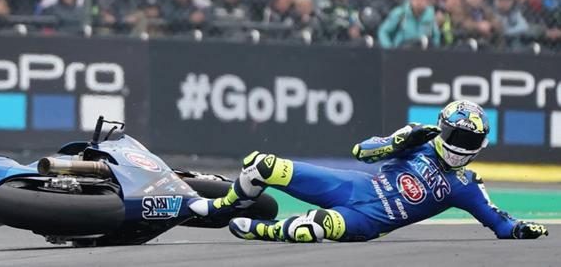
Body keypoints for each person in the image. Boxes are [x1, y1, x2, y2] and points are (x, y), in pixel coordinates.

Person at [189, 100, 549, 243]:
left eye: (470, 141)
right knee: (264, 165)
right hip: (352, 186)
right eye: (457, 135)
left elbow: (498, 221)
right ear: (443, 128)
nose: (461, 146)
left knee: (311, 227)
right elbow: (361, 151)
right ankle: (222, 208)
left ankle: (261, 231)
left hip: (368, 223)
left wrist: (519, 229)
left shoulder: (467, 185)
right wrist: (400, 140)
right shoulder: (418, 138)